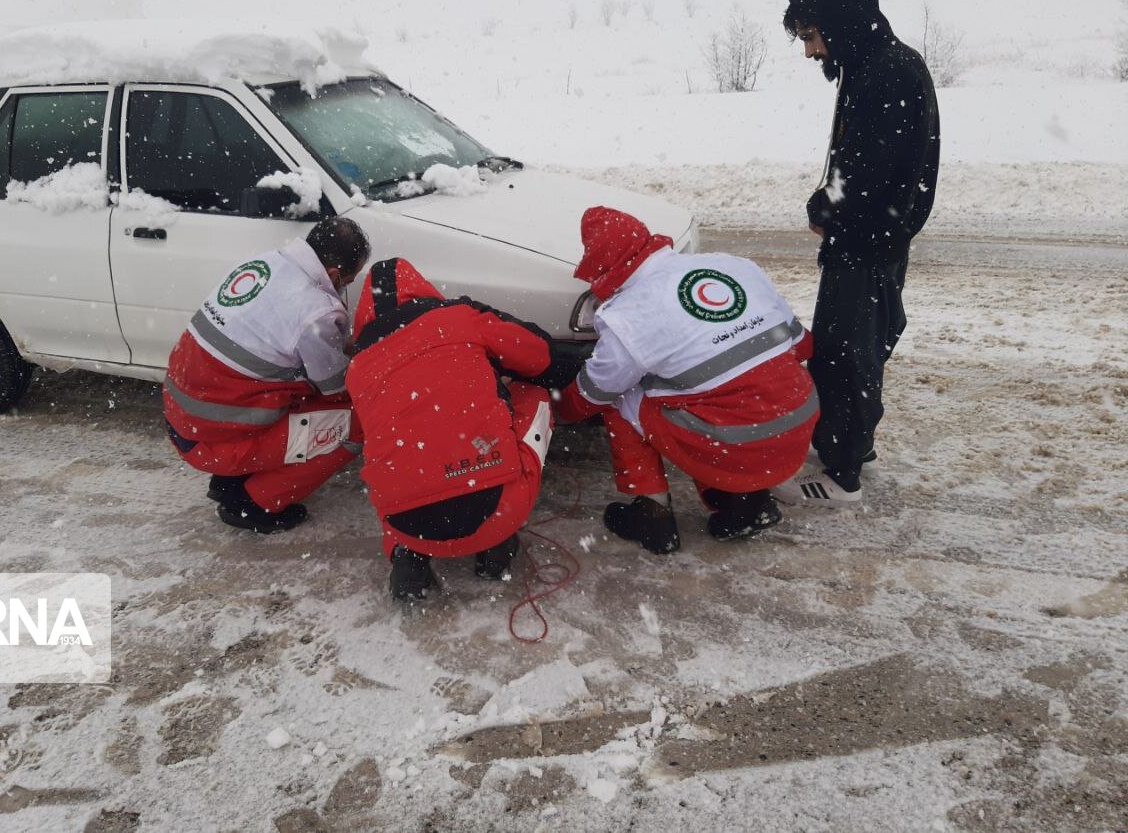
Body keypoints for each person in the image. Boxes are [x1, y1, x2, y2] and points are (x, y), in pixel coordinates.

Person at [557, 207, 818, 551]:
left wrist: (559, 412)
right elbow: (802, 345)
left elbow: (595, 392)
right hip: (798, 422)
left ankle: (652, 516)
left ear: (602, 265)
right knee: (716, 394)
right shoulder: (733, 266)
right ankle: (746, 504)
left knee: (622, 398)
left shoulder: (630, 315)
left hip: (738, 444)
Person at [775, 0, 940, 506]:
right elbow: (859, 164)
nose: (810, 52)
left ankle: (843, 472)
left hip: (868, 240)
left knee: (849, 351)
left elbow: (865, 171)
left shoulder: (888, 71)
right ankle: (850, 443)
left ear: (841, 24)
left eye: (811, 37)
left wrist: (826, 205)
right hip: (870, 236)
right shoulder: (874, 64)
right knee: (855, 344)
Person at [346, 257, 577, 600]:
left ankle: (406, 557)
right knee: (534, 390)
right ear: (422, 290)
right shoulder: (456, 317)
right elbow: (539, 356)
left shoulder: (357, 369)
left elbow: (363, 439)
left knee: (397, 458)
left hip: (406, 526)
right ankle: (495, 544)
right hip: (500, 510)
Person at [163, 217, 370, 532]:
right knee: (355, 421)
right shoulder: (317, 312)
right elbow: (335, 388)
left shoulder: (263, 262)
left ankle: (230, 481)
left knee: (281, 387)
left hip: (183, 421)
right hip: (211, 439)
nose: (347, 287)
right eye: (349, 279)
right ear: (333, 273)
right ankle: (252, 504)